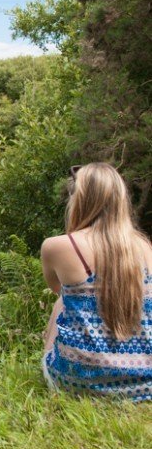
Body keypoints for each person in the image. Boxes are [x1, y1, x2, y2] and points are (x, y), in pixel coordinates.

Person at [41, 163, 152, 401]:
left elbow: (56, 289)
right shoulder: (144, 247)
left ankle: (61, 369)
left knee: (62, 301)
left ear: (79, 200)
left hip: (78, 384)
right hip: (145, 384)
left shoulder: (58, 246)